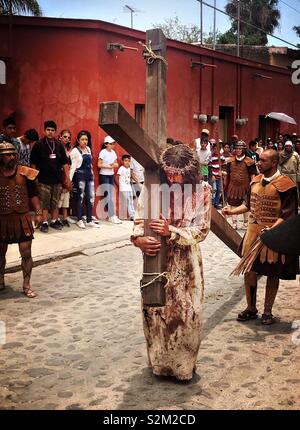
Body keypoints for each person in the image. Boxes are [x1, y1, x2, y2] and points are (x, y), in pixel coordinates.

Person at [131, 143, 211, 381]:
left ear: (190, 172)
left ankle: (183, 367)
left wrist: (172, 231)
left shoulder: (203, 190)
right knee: (155, 311)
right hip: (157, 261)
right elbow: (138, 218)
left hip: (187, 263)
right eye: (170, 172)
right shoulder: (153, 188)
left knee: (187, 313)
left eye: (179, 173)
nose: (174, 178)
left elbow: (201, 230)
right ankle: (160, 364)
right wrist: (139, 239)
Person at [222, 149, 298, 325]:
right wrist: (232, 211)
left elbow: (288, 215)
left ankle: (267, 312)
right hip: (252, 234)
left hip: (273, 237)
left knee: (272, 273)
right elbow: (247, 204)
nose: (259, 163)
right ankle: (251, 308)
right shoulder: (255, 181)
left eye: (263, 160)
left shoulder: (286, 185)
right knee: (249, 271)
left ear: (273, 163)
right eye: (259, 160)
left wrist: (272, 230)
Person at [0, 141, 42, 297]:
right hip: (2, 219)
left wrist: (38, 212)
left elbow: (33, 195)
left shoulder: (25, 172)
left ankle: (26, 284)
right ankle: (0, 280)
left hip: (22, 218)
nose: (12, 157)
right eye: (8, 155)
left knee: (26, 252)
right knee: (0, 253)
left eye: (13, 154)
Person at [30, 120, 72, 233]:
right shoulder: (38, 145)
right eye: (48, 130)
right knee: (44, 202)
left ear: (55, 132)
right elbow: (33, 163)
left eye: (52, 130)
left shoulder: (59, 145)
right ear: (44, 131)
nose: (50, 132)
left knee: (55, 202)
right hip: (43, 179)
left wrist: (67, 178)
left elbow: (65, 163)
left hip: (57, 179)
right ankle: (44, 222)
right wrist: (34, 178)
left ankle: (54, 220)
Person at [69, 131, 99, 229]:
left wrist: (92, 176)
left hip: (89, 177)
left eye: (86, 139)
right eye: (82, 139)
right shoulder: (75, 151)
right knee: (80, 198)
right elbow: (73, 167)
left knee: (90, 198)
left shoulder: (88, 149)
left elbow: (90, 165)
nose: (84, 141)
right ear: (78, 140)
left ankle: (89, 220)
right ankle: (79, 219)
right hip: (79, 176)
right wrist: (69, 180)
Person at [224, 140, 256, 230]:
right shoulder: (230, 161)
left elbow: (252, 175)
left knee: (245, 205)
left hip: (245, 186)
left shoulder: (249, 161)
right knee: (233, 204)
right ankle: (234, 223)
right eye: (237, 148)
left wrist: (252, 186)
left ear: (244, 150)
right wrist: (224, 177)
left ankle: (245, 223)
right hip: (233, 186)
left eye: (240, 149)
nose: (238, 150)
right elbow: (227, 173)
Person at [98, 136, 121, 224]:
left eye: (113, 143)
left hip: (111, 175)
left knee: (110, 195)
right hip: (104, 175)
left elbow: (116, 163)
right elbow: (99, 164)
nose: (112, 145)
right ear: (106, 144)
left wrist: (114, 165)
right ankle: (111, 215)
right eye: (111, 144)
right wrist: (109, 166)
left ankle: (111, 215)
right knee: (107, 195)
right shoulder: (102, 152)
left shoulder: (113, 153)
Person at [57, 129, 74, 227]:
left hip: (67, 176)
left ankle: (65, 218)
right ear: (60, 137)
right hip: (59, 176)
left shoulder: (69, 151)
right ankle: (57, 218)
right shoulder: (57, 148)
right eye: (65, 137)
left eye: (68, 137)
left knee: (66, 199)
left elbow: (70, 164)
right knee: (59, 198)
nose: (67, 139)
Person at [116, 154, 135, 220]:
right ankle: (132, 215)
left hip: (129, 187)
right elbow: (116, 178)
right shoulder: (121, 168)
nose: (127, 162)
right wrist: (120, 185)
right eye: (125, 161)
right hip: (124, 188)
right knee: (128, 201)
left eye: (129, 161)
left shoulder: (129, 169)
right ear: (122, 161)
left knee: (131, 201)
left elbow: (129, 178)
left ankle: (133, 214)